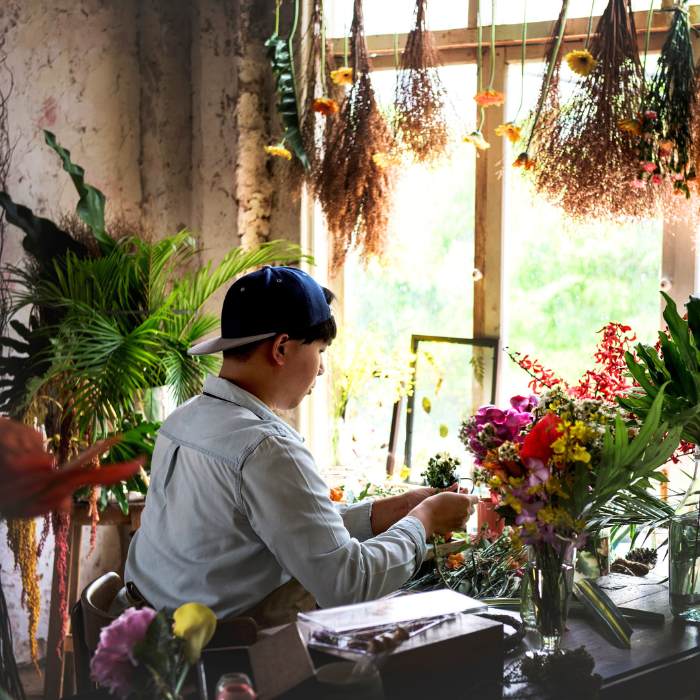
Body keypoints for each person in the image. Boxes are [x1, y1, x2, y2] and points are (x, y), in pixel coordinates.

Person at [125, 266, 476, 627]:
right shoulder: (266, 448)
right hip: (222, 661)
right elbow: (349, 584)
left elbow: (290, 525)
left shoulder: (181, 421)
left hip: (150, 632)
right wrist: (425, 519)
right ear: (281, 348)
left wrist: (399, 508)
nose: (322, 369)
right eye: (321, 350)